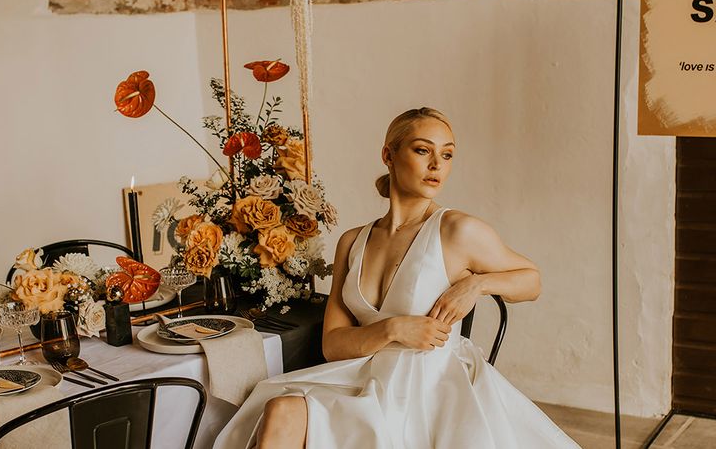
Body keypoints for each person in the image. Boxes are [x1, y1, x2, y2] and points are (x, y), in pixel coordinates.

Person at [214, 107, 580, 448]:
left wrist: (477, 284)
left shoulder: (456, 230)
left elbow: (532, 280)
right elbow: (333, 345)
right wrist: (393, 330)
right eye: (423, 151)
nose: (437, 164)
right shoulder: (353, 241)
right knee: (281, 409)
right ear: (388, 155)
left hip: (429, 387)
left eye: (448, 154)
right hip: (362, 378)